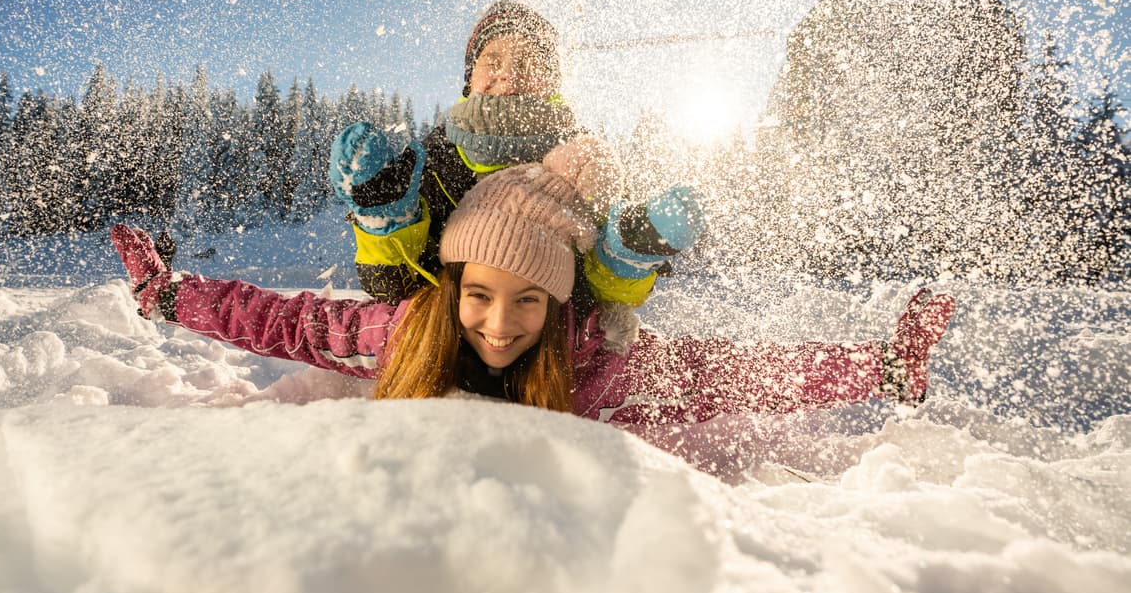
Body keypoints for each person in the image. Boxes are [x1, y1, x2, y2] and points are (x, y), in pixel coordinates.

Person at [111, 145, 956, 424]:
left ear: (560, 303)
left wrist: (880, 368)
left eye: (528, 300)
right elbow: (283, 322)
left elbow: (734, 378)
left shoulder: (598, 360)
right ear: (451, 285)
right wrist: (166, 295)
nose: (499, 323)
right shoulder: (409, 331)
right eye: (479, 292)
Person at [328, 0, 704, 312]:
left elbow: (606, 305)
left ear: (551, 83)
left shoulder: (586, 163)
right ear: (470, 77)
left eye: (527, 64)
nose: (507, 74)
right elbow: (392, 290)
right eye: (492, 61)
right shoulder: (434, 160)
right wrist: (386, 221)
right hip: (445, 346)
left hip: (553, 358)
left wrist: (626, 258)